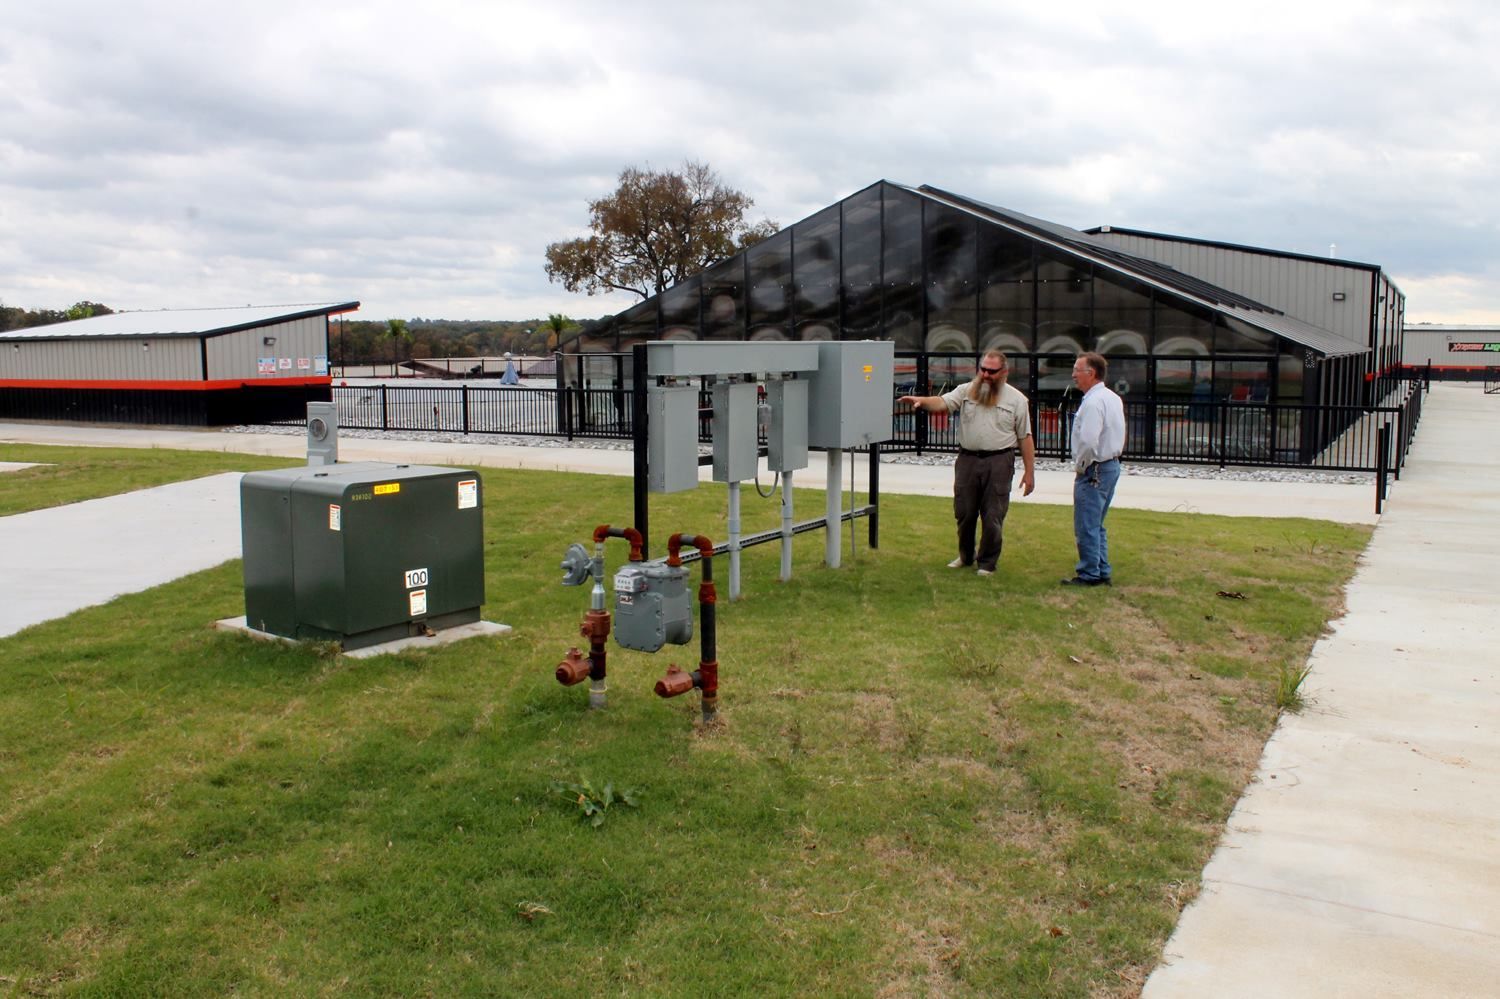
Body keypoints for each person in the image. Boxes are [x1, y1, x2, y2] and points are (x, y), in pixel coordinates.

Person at [899, 350, 1035, 576]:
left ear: (1004, 372)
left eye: (992, 371)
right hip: (968, 460)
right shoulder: (966, 390)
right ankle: (965, 555)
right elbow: (942, 402)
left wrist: (1029, 473)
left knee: (993, 515)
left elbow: (1025, 437)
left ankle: (987, 563)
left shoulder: (1017, 400)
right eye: (983, 369)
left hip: (999, 461)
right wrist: (921, 401)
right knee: (964, 511)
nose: (986, 375)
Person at [1063, 352, 1126, 587]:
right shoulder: (1112, 398)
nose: (1073, 375)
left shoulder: (1093, 402)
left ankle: (1090, 573)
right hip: (1110, 466)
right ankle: (1101, 569)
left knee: (1086, 524)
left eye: (1077, 370)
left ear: (1091, 373)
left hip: (1095, 469)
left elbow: (1089, 441)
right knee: (1097, 523)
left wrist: (1081, 466)